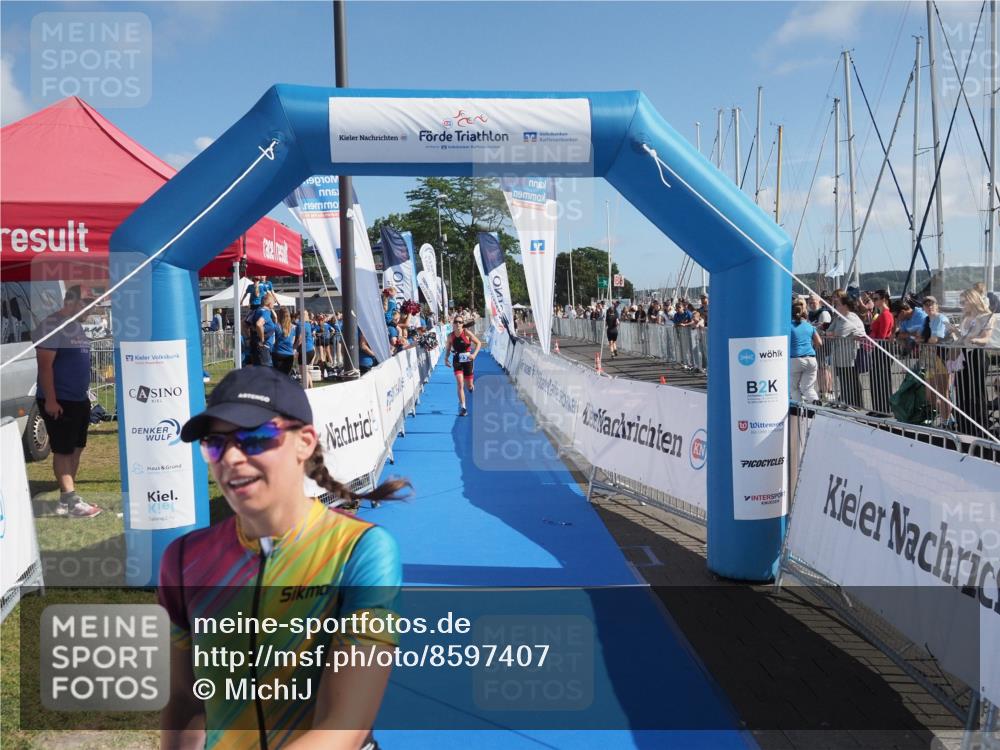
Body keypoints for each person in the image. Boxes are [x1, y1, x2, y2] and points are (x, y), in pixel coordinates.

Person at [159, 367, 408, 749]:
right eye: (215, 443)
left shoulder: (360, 550)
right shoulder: (183, 559)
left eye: (255, 438)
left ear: (305, 442)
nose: (232, 458)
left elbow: (344, 726)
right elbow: (185, 703)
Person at [33, 285, 102, 518]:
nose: (91, 307)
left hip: (78, 399)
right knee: (62, 450)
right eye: (86, 302)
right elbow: (45, 367)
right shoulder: (53, 326)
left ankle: (66, 498)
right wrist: (51, 400)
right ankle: (72, 501)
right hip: (59, 399)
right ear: (70, 301)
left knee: (77, 447)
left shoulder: (76, 327)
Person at [826, 293, 866, 409]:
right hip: (840, 356)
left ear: (845, 305)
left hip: (850, 356)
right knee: (844, 380)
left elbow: (839, 334)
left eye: (837, 304)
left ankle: (856, 405)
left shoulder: (851, 317)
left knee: (851, 380)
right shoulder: (838, 318)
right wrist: (829, 334)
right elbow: (829, 331)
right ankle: (847, 402)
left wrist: (830, 334)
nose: (835, 306)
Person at [444, 316, 482, 416]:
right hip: (457, 360)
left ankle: (471, 388)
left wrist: (474, 355)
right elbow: (448, 349)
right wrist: (446, 358)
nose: (458, 324)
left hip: (468, 359)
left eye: (460, 322)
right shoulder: (450, 336)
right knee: (460, 384)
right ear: (453, 324)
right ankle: (463, 407)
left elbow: (478, 343)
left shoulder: (466, 333)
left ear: (462, 324)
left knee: (469, 385)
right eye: (456, 322)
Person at [790, 298, 822, 404]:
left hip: (795, 359)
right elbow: (819, 342)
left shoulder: (788, 326)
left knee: (793, 388)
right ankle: (817, 406)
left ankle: (799, 411)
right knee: (808, 388)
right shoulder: (810, 326)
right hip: (811, 359)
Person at [868, 290, 896, 414]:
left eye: (876, 299)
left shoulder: (885, 314)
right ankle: (878, 407)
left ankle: (883, 408)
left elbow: (882, 334)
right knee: (876, 378)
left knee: (882, 379)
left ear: (883, 299)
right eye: (873, 299)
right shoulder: (880, 313)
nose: (874, 301)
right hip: (878, 347)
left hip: (882, 347)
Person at [250, 293, 278, 367]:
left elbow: (244, 323)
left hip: (256, 347)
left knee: (258, 373)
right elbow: (259, 324)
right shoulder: (265, 312)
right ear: (269, 303)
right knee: (266, 374)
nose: (274, 305)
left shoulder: (257, 310)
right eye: (273, 303)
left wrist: (248, 337)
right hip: (264, 349)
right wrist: (262, 340)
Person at [293, 312, 316, 388]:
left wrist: (294, 348)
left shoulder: (300, 324)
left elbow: (300, 338)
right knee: (306, 371)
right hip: (311, 349)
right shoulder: (308, 324)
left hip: (305, 350)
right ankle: (311, 388)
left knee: (303, 372)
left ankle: (306, 389)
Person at [270, 308, 296, 375]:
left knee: (277, 376)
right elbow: (292, 342)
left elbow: (273, 341)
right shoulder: (293, 327)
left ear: (279, 315)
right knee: (286, 377)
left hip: (277, 353)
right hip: (289, 354)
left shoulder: (276, 326)